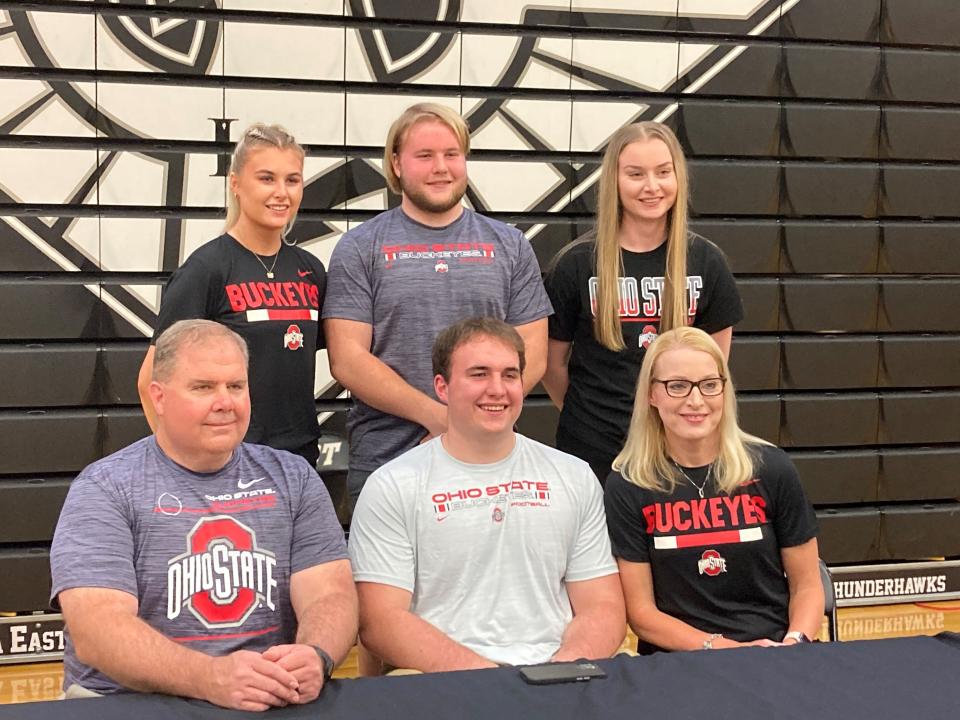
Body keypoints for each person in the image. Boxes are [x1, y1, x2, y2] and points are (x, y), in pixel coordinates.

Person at [52, 320, 357, 710]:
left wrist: (316, 655)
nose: (225, 402)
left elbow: (331, 593)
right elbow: (98, 631)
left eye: (236, 386)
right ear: (158, 398)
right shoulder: (105, 488)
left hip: (262, 697)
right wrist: (210, 678)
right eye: (203, 387)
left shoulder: (293, 478)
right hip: (127, 703)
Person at [348, 317, 625, 672]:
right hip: (444, 679)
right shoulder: (393, 485)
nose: (497, 389)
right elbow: (380, 621)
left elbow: (603, 606)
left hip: (556, 671)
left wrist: (564, 669)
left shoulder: (572, 476)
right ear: (442, 387)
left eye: (510, 375)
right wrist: (489, 679)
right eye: (479, 374)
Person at [323, 103, 553, 508]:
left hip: (488, 460)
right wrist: (440, 418)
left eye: (452, 154)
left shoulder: (510, 245)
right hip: (387, 458)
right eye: (424, 156)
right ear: (396, 164)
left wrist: (472, 422)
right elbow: (347, 359)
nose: (441, 168)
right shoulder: (360, 247)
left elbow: (532, 353)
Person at [543, 121, 743, 483]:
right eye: (636, 174)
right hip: (592, 451)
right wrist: (588, 416)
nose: (652, 186)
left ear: (678, 177)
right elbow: (551, 364)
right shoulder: (575, 264)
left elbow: (714, 365)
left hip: (675, 450)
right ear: (614, 182)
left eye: (663, 172)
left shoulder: (706, 261)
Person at [604, 326, 823, 653]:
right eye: (677, 386)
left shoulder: (772, 468)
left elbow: (807, 586)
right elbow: (642, 614)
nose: (696, 401)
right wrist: (723, 650)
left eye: (709, 385)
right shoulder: (628, 484)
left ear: (724, 390)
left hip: (775, 652)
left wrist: (794, 643)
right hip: (681, 661)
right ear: (652, 394)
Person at [137, 123, 327, 468]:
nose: (281, 192)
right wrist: (179, 466)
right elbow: (150, 381)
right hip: (228, 462)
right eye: (266, 178)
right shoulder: (206, 269)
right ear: (236, 184)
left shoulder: (311, 270)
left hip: (300, 460)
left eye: (292, 180)